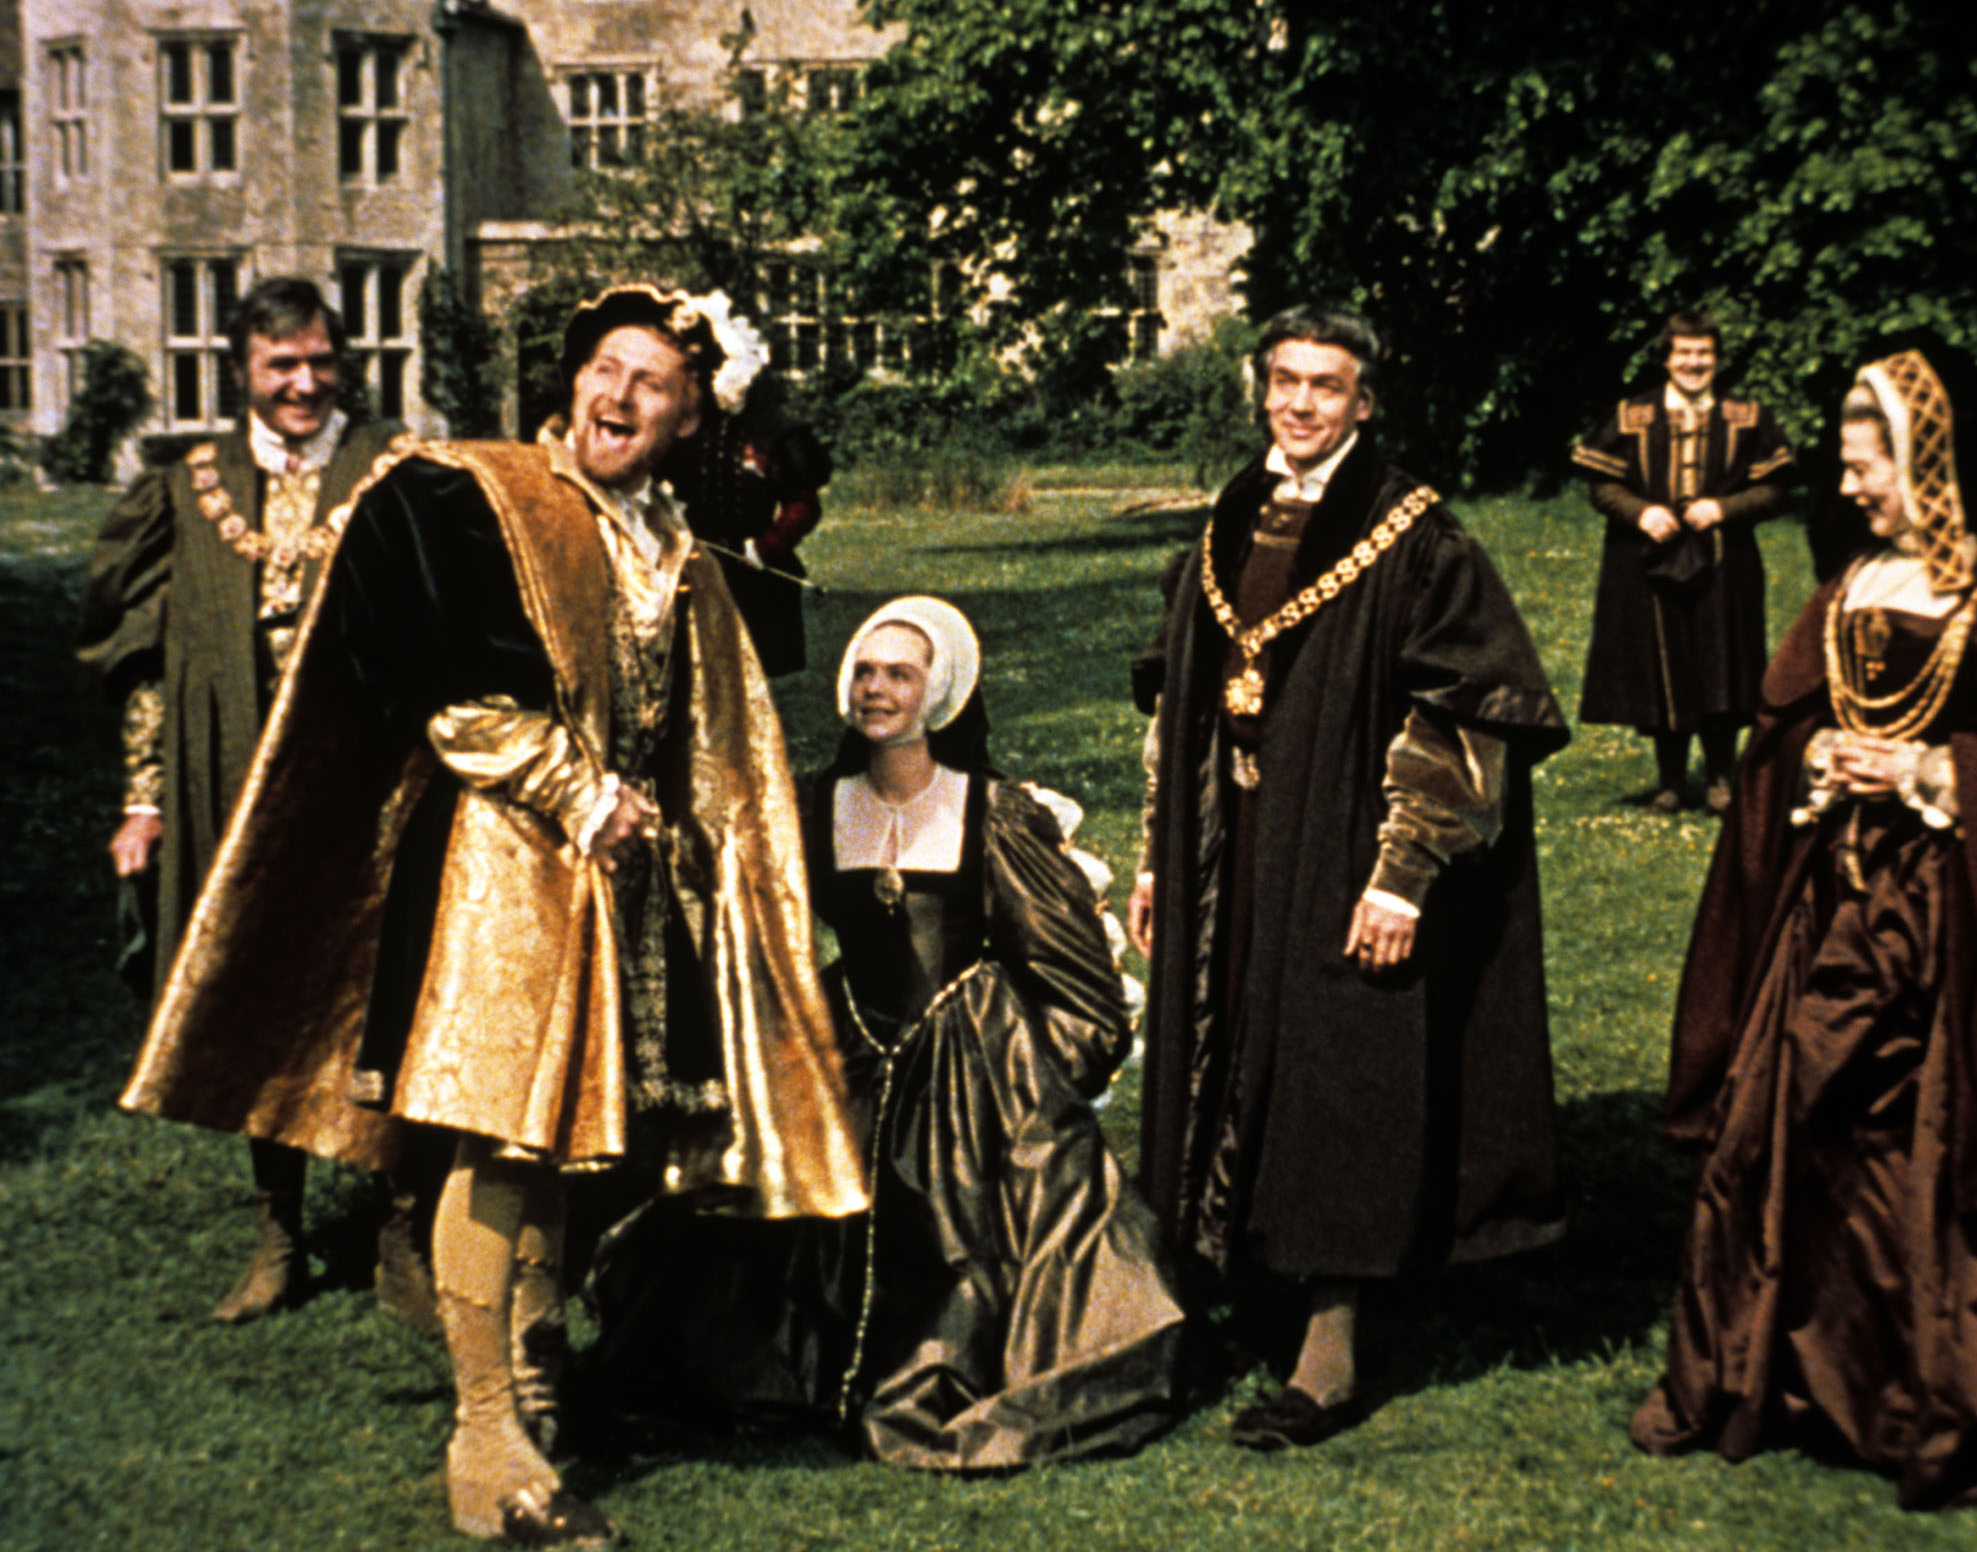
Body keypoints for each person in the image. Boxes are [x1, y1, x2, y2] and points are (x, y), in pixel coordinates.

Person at [117, 282, 867, 1545]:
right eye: (603, 368)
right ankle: (484, 1439)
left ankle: (534, 1372)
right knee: (501, 1138)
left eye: (652, 384)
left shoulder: (671, 540)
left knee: (566, 1139)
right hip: (501, 868)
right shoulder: (487, 496)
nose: (617, 395)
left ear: (689, 418)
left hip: (610, 881)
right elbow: (447, 689)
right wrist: (579, 790)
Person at [1631, 350, 1977, 1509]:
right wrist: (1819, 757)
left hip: (1962, 922)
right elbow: (1782, 733)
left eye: (1867, 469)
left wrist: (1942, 771)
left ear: (1933, 464)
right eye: (1844, 470)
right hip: (1834, 901)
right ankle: (1802, 1373)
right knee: (1799, 1116)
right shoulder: (1855, 585)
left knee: (1933, 1145)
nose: (1848, 491)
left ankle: (1935, 1391)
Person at [584, 596, 1183, 1469]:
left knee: (965, 1231)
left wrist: (1037, 1077)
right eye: (864, 671)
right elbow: (746, 906)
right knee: (769, 1214)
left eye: (899, 674)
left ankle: (953, 1357)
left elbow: (1071, 970)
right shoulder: (816, 804)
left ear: (938, 692)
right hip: (850, 1034)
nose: (876, 689)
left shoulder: (990, 810)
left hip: (972, 1052)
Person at [1129, 305, 1568, 1449]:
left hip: (1342, 839)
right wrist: (1157, 854)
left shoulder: (1415, 536)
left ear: (1365, 403)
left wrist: (1402, 874)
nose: (1300, 403)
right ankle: (1228, 1285)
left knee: (1337, 1064)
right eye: (1284, 380)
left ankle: (1330, 1348)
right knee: (1227, 1040)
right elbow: (1180, 695)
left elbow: (1465, 713)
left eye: (1326, 386)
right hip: (1229, 841)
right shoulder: (1232, 514)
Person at [74, 276, 434, 1327]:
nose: (305, 384)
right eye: (282, 365)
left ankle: (400, 1224)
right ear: (242, 369)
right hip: (235, 784)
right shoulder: (189, 488)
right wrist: (145, 801)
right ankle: (279, 1231)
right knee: (259, 997)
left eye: (320, 361)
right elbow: (146, 663)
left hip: (372, 788)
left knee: (389, 997)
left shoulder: (397, 468)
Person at [1571, 311, 1796, 812]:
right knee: (1660, 664)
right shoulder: (1632, 414)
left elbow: (1776, 488)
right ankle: (1671, 781)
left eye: (1704, 353)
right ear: (1667, 358)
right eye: (1685, 353)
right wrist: (1641, 512)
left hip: (1725, 563)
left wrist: (1724, 508)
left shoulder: (1745, 415)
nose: (1694, 363)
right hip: (1647, 563)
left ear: (1717, 358)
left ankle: (1720, 778)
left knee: (1722, 663)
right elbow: (1602, 484)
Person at [666, 369, 832, 676]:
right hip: (692, 563)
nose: (724, 382)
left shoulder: (774, 432)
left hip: (754, 568)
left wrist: (766, 546)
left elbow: (803, 504)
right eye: (718, 374)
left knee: (754, 671)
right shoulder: (686, 428)